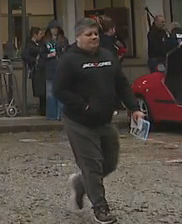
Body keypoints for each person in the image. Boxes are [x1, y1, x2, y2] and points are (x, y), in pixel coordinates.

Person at [54, 18, 142, 224]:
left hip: (104, 120)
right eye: (88, 34)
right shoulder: (69, 60)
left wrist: (134, 108)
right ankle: (100, 208)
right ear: (78, 37)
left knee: (109, 163)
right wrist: (83, 105)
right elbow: (59, 90)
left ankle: (80, 183)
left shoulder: (107, 56)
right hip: (79, 122)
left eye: (95, 34)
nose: (94, 37)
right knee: (92, 165)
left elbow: (121, 83)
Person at [42, 21, 67, 121]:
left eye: (56, 29)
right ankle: (52, 115)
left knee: (61, 92)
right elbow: (42, 54)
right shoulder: (45, 41)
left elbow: (66, 52)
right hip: (50, 69)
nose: (54, 31)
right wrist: (48, 55)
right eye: (53, 29)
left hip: (61, 68)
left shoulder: (63, 40)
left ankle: (61, 115)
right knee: (50, 93)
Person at [23, 27, 47, 116]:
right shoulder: (29, 45)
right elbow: (25, 56)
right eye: (40, 34)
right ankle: (42, 109)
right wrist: (35, 61)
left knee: (44, 91)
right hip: (37, 70)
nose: (42, 36)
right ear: (35, 35)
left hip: (43, 69)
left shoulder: (42, 43)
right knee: (41, 91)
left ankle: (44, 109)